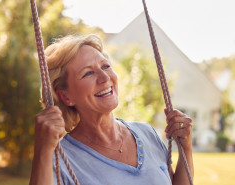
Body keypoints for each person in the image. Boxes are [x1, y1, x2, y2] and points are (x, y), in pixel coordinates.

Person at [29, 34, 194, 185]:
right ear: (66, 96)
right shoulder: (62, 160)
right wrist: (42, 150)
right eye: (88, 73)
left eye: (106, 66)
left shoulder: (147, 134)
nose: (105, 77)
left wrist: (185, 147)